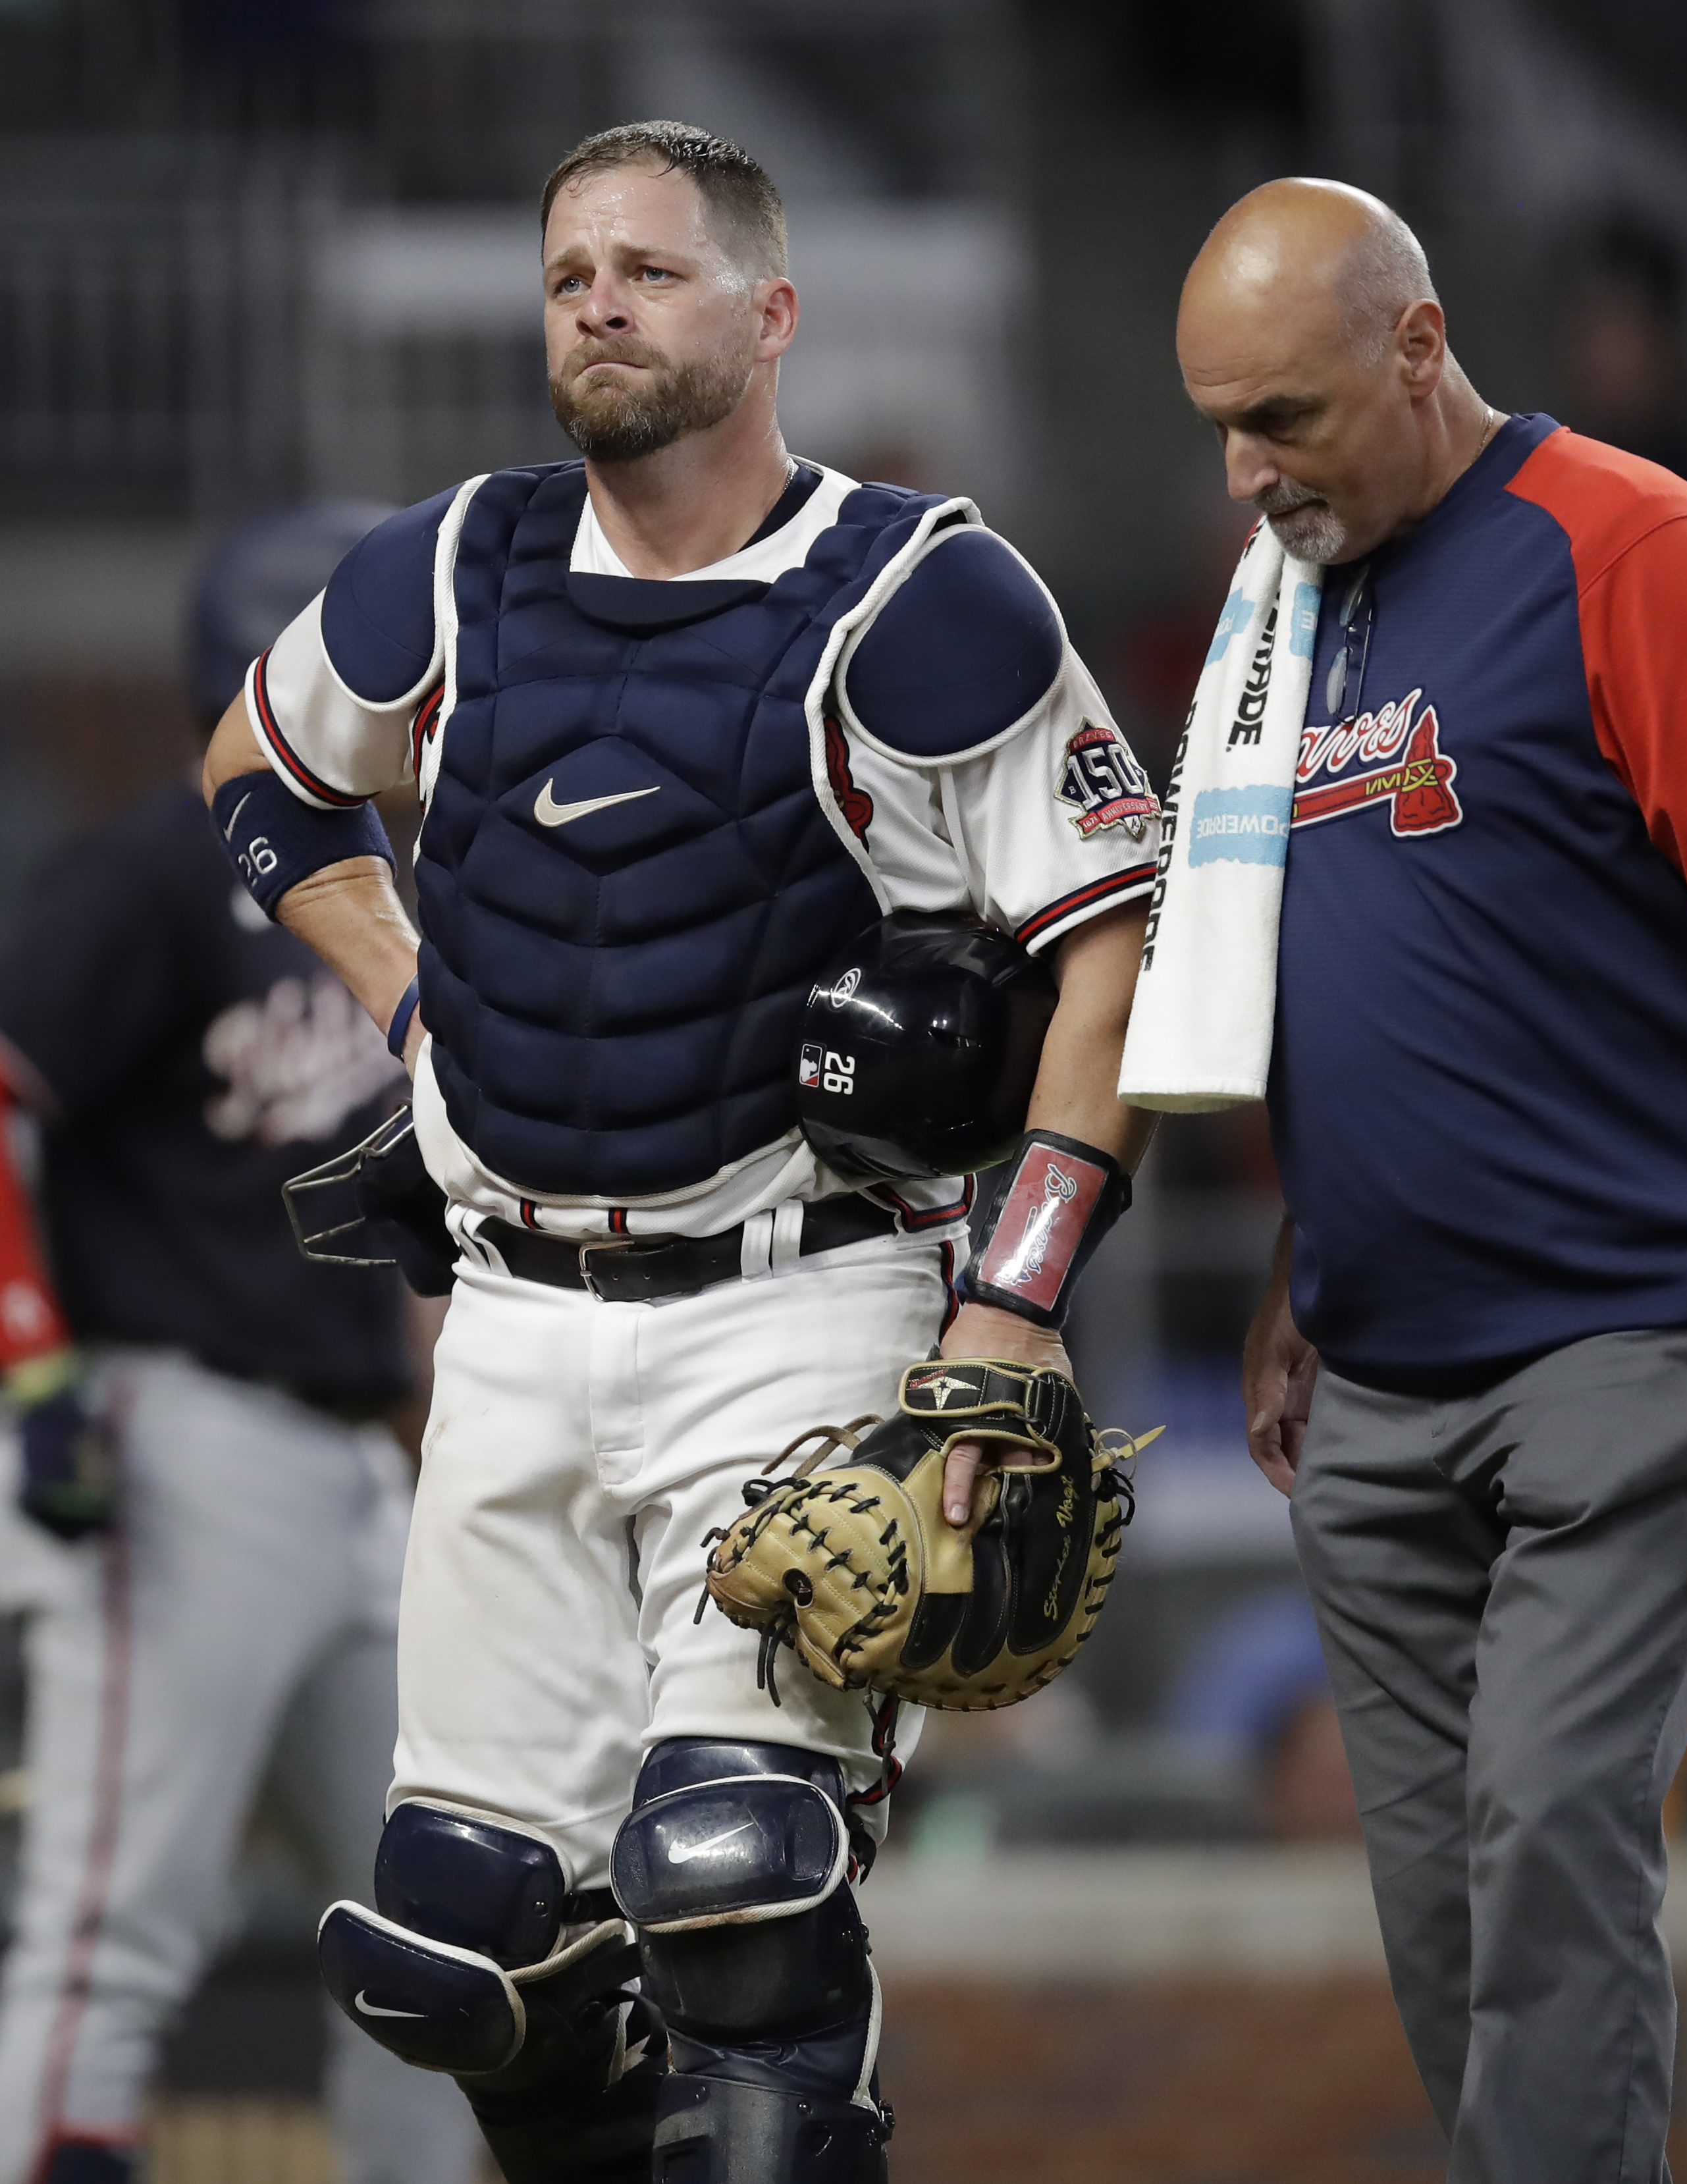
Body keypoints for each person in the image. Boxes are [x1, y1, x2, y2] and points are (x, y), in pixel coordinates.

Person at [198, 121, 1157, 2184]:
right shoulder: (452, 564)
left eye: (650, 266)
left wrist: (1014, 1300)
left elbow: (1116, 954)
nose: (602, 302)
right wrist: (411, 999)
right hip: (511, 1320)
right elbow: (263, 778)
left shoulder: (920, 594)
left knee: (732, 1884)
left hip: (799, 1305)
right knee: (453, 1950)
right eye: (568, 276)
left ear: (770, 310)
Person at [1161, 179, 1687, 2181]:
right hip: (1381, 1370)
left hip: (1630, 1332)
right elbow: (1351, 958)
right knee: (1453, 1919)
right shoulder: (1282, 600)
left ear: (1416, 348)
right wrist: (1300, 1263)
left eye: (1284, 420)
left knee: (1555, 1827)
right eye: (1219, 425)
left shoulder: (1633, 547)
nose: (1245, 472)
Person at [0, 508, 479, 2184]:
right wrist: (32, 1367)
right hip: (180, 1438)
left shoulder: (384, 892)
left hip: (355, 1466)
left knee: (439, 1946)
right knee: (112, 1930)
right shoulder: (147, 872)